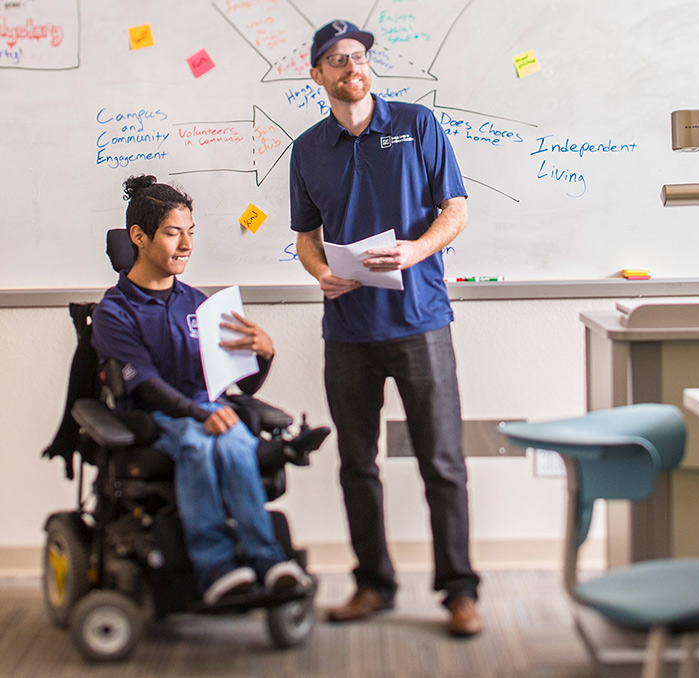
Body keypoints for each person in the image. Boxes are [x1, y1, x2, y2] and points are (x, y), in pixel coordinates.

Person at [289, 20, 482, 637]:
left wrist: (416, 249)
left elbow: (456, 209)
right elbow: (305, 236)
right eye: (338, 61)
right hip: (347, 329)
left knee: (443, 462)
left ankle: (459, 591)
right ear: (317, 74)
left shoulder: (418, 124)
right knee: (356, 465)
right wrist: (320, 272)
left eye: (359, 57)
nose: (354, 68)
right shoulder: (308, 149)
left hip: (421, 321)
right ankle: (373, 583)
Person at [91, 175, 307, 606]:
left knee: (235, 443)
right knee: (196, 442)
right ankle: (216, 567)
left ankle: (268, 561)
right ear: (139, 236)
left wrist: (263, 355)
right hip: (160, 418)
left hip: (210, 408)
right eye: (173, 233)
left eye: (190, 233)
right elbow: (146, 385)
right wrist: (198, 413)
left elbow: (234, 384)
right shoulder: (114, 312)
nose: (186, 245)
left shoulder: (199, 305)